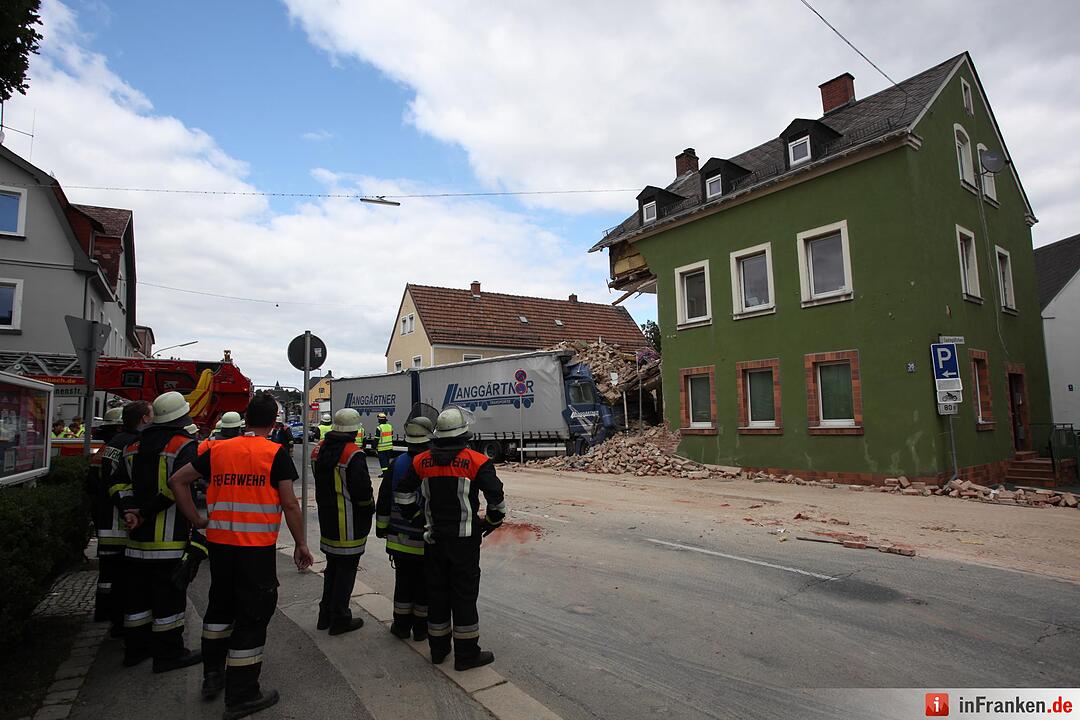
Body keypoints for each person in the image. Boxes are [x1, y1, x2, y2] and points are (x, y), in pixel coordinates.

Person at [169, 392, 313, 720]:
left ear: (246, 419)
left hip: (220, 547)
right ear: (274, 422)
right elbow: (290, 504)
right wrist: (301, 544)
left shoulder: (217, 450)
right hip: (255, 550)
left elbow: (178, 481)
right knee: (252, 615)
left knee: (219, 609)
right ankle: (243, 694)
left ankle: (213, 675)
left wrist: (197, 519)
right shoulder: (275, 453)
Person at [395, 406, 506, 671]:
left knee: (437, 595)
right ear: (463, 434)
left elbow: (403, 495)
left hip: (433, 541)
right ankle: (467, 655)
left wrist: (418, 520)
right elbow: (497, 501)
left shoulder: (421, 461)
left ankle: (438, 649)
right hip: (464, 542)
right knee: (464, 597)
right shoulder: (478, 461)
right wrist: (490, 523)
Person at [116, 391, 202, 672]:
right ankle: (168, 655)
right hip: (168, 538)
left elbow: (120, 485)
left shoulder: (132, 447)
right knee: (168, 600)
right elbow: (175, 487)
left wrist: (130, 511)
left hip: (135, 539)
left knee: (137, 599)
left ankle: (135, 650)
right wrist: (146, 512)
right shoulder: (184, 446)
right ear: (182, 416)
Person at [311, 408, 373, 635]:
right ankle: (340, 618)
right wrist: (369, 510)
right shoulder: (352, 454)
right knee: (346, 571)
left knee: (333, 569)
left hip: (327, 523)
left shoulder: (318, 451)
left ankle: (324, 615)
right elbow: (363, 493)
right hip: (349, 524)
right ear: (354, 429)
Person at [376, 416, 433, 641]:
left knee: (403, 584)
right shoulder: (432, 464)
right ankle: (420, 629)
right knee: (423, 588)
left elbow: (383, 500)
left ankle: (400, 627)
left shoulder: (396, 464)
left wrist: (382, 529)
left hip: (399, 539)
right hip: (425, 540)